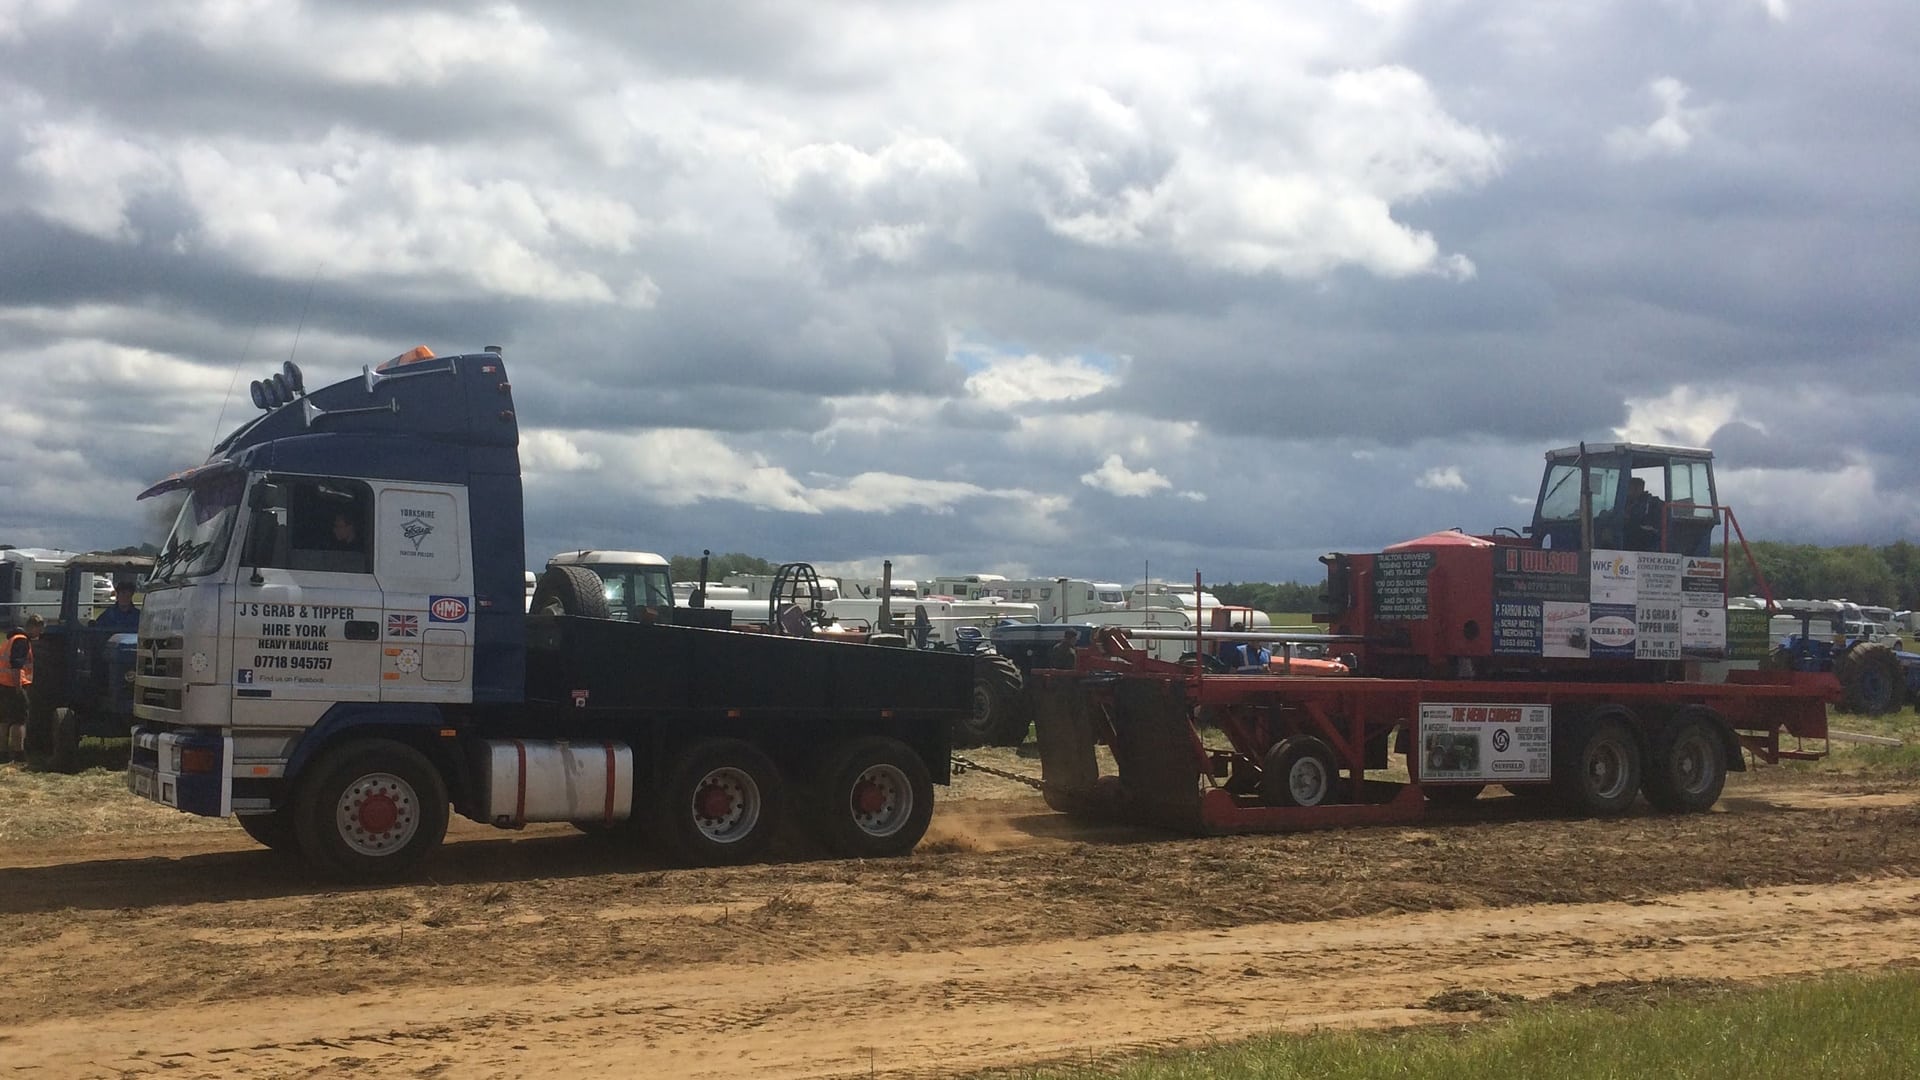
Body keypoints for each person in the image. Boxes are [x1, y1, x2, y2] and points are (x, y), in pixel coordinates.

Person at [1, 614, 44, 764]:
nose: (39, 633)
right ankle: (18, 753)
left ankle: (3, 753)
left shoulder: (11, 639)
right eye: (39, 629)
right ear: (34, 626)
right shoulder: (22, 641)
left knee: (4, 720)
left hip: (3, 684)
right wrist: (19, 689)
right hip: (15, 685)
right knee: (19, 720)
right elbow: (16, 665)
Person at [1625, 477, 1665, 551]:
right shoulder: (1626, 501)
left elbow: (1639, 519)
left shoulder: (1650, 503)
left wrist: (1628, 517)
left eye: (1631, 488)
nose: (1629, 491)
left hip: (1645, 538)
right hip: (1633, 534)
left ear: (1639, 488)